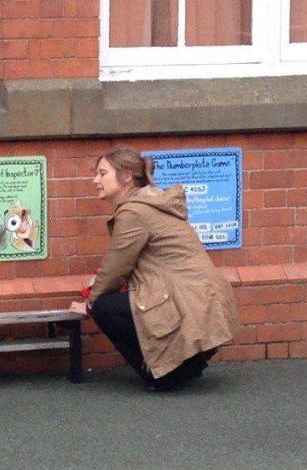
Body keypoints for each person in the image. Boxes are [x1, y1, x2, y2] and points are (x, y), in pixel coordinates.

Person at [69, 148, 238, 392]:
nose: (96, 180)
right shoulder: (152, 203)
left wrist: (90, 304)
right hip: (205, 299)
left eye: (103, 173)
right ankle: (187, 363)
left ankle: (164, 374)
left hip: (189, 300)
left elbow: (115, 268)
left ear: (127, 177)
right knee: (120, 300)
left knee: (104, 307)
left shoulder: (134, 212)